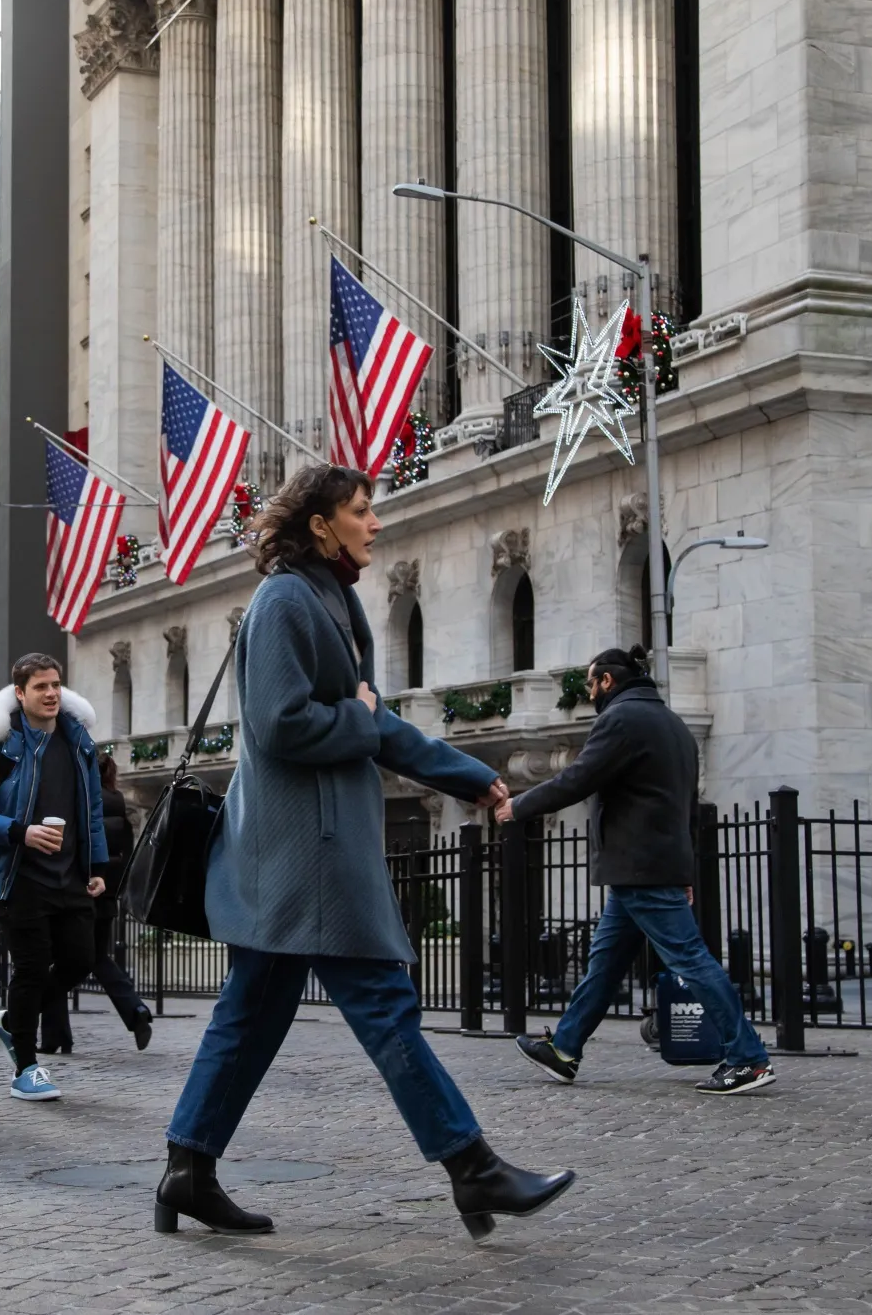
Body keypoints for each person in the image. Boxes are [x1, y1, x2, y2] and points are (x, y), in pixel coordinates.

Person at [157, 464, 574, 1241]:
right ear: (321, 524)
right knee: (385, 1006)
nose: (374, 521)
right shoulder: (286, 598)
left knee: (248, 1016)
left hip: (305, 850)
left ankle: (187, 1167)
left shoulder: (333, 597)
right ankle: (470, 1165)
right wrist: (357, 714)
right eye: (360, 509)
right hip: (305, 855)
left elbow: (376, 724)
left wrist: (474, 776)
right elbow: (281, 723)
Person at [499, 645, 776, 1096]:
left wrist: (519, 806)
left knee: (690, 958)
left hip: (638, 865)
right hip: (647, 867)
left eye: (590, 683)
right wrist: (684, 870)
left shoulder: (621, 720)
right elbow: (687, 807)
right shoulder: (674, 726)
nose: (589, 693)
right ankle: (565, 1049)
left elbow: (579, 777)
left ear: (607, 680)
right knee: (604, 965)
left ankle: (748, 1058)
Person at [0, 652, 110, 1103]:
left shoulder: (79, 742)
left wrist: (97, 867)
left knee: (81, 959)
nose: (50, 694)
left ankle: (10, 1021)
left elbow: (93, 812)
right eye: (40, 686)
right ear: (19, 693)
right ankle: (25, 1067)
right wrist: (20, 832)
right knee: (28, 967)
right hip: (18, 876)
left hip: (70, 878)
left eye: (56, 685)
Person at [39, 753, 151, 1055]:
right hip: (107, 893)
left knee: (58, 962)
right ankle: (135, 1009)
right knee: (99, 957)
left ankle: (54, 1036)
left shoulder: (82, 800)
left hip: (78, 892)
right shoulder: (119, 804)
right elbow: (126, 853)